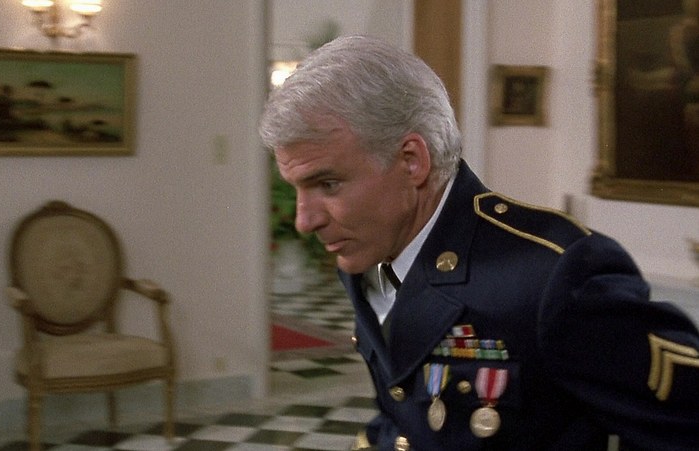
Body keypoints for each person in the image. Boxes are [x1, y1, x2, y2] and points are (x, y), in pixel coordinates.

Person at [259, 35, 699, 451]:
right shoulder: (371, 255)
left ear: (411, 161)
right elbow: (404, 418)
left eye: (328, 184)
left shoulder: (552, 277)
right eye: (298, 189)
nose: (304, 220)